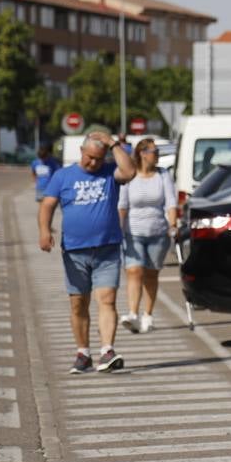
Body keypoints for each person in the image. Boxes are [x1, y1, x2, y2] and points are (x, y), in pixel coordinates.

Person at [38, 130, 137, 374]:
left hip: (107, 248)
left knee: (107, 300)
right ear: (81, 152)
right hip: (74, 250)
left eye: (99, 159)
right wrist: (44, 230)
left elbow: (130, 172)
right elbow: (48, 204)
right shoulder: (63, 176)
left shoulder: (110, 173)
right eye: (90, 157)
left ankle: (107, 350)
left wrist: (112, 143)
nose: (93, 163)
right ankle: (83, 354)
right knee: (78, 304)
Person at [118, 137, 178, 333]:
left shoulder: (162, 175)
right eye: (154, 152)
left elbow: (170, 201)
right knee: (134, 272)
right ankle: (133, 313)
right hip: (133, 232)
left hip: (158, 232)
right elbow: (123, 205)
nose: (158, 156)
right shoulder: (131, 176)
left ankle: (148, 315)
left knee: (151, 275)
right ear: (142, 154)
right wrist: (119, 228)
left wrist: (173, 224)